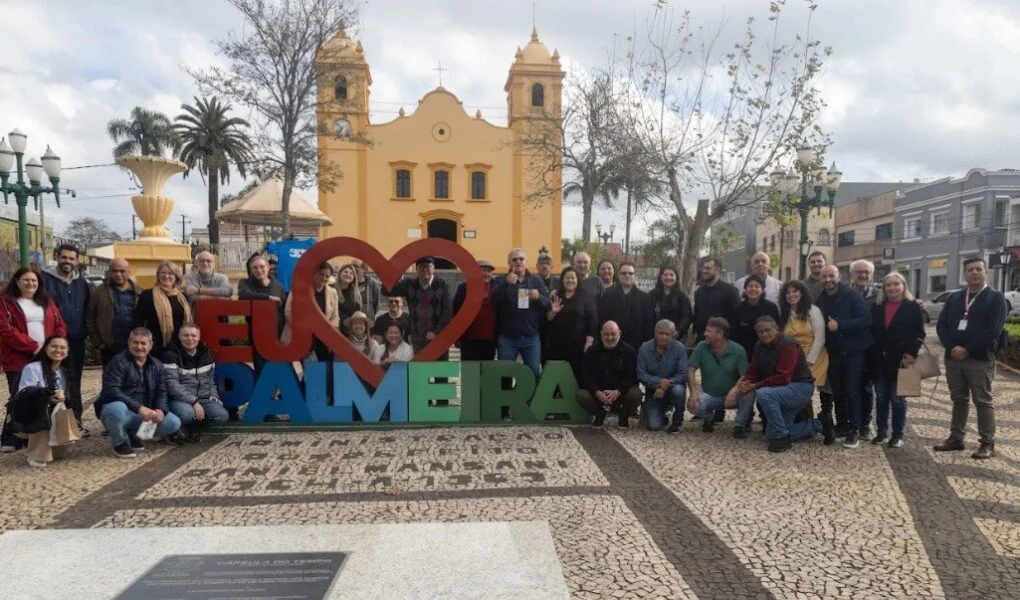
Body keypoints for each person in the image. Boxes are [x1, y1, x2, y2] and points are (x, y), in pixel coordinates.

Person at [934, 258, 1007, 459]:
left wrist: (967, 349)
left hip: (979, 359)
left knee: (983, 401)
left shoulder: (995, 298)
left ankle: (987, 442)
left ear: (985, 272)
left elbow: (993, 331)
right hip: (953, 359)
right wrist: (952, 348)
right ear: (964, 274)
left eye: (978, 269)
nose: (974, 272)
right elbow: (941, 326)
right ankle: (956, 438)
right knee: (958, 399)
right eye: (970, 270)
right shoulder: (955, 298)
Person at [0, 267, 67, 452]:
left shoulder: (46, 301)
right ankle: (11, 437)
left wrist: (55, 344)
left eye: (34, 281)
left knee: (44, 395)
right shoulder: (6, 302)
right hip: (18, 356)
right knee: (19, 396)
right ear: (17, 281)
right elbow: (6, 329)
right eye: (26, 280)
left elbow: (59, 324)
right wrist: (33, 346)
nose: (30, 283)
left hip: (45, 356)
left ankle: (34, 434)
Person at [737, 316, 821, 452]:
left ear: (776, 329)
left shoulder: (788, 345)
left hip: (800, 388)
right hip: (781, 390)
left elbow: (783, 377)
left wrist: (755, 386)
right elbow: (753, 369)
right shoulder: (759, 346)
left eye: (767, 330)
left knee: (764, 394)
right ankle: (819, 424)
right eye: (760, 332)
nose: (764, 334)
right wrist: (745, 382)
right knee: (770, 435)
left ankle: (782, 439)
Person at [96, 328, 182, 458]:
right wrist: (139, 408)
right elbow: (112, 390)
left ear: (150, 345)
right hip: (124, 410)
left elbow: (162, 392)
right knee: (116, 409)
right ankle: (120, 443)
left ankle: (134, 435)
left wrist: (161, 410)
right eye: (135, 342)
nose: (139, 347)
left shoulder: (157, 365)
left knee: (173, 422)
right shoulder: (117, 362)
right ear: (129, 343)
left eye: (143, 343)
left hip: (146, 413)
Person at [818, 265, 873, 449]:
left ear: (839, 276)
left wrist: (840, 325)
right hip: (834, 352)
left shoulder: (851, 295)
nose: (828, 280)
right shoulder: (821, 298)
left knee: (852, 391)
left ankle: (854, 430)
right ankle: (841, 425)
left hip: (853, 352)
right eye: (824, 276)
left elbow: (866, 319)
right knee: (838, 392)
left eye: (831, 276)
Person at [869, 273, 924, 448]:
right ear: (884, 288)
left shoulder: (913, 307)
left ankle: (897, 434)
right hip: (879, 359)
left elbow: (920, 333)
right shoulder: (877, 306)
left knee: (898, 399)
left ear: (903, 286)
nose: (892, 288)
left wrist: (912, 353)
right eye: (888, 285)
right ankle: (881, 432)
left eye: (896, 284)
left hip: (902, 359)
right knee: (881, 398)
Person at [41, 244, 90, 432]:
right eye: (64, 257)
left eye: (71, 258)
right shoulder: (45, 279)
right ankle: (47, 423)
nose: (67, 261)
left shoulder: (82, 283)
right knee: (51, 380)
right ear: (57, 257)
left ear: (77, 261)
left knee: (74, 380)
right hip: (52, 341)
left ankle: (75, 421)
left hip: (76, 340)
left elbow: (88, 309)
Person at [16, 336, 80, 467]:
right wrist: (46, 397)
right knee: (42, 409)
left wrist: (63, 399)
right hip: (33, 411)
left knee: (58, 454)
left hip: (57, 408)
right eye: (54, 346)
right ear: (45, 349)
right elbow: (24, 394)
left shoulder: (65, 371)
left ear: (67, 351)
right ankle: (36, 455)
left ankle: (54, 447)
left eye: (62, 347)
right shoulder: (32, 368)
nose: (58, 350)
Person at [779, 280, 829, 437]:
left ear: (802, 293)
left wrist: (809, 361)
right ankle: (804, 424)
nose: (791, 295)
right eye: (788, 292)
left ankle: (816, 424)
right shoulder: (785, 313)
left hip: (813, 358)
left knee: (803, 390)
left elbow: (820, 338)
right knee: (796, 392)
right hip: (793, 359)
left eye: (795, 291)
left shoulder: (812, 310)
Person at [162, 323, 229, 442]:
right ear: (179, 337)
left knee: (222, 416)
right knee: (187, 414)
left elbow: (210, 380)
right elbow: (172, 385)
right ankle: (182, 428)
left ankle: (193, 427)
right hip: (180, 400)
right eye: (185, 335)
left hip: (204, 398)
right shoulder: (170, 355)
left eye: (193, 335)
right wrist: (193, 402)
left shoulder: (207, 354)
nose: (190, 339)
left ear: (199, 337)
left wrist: (214, 395)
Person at [688, 318, 752, 437]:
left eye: (708, 331)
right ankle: (708, 418)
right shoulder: (702, 346)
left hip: (733, 397)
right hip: (710, 395)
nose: (705, 334)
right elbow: (691, 369)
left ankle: (740, 425)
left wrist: (734, 390)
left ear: (720, 333)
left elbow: (745, 375)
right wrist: (693, 393)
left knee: (749, 392)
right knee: (693, 406)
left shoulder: (738, 350)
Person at [493, 248, 550, 377]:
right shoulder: (501, 279)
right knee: (504, 374)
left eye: (521, 259)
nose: (518, 261)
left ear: (526, 262)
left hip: (531, 337)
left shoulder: (536, 280)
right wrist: (506, 284)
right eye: (514, 259)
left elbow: (548, 303)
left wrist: (539, 297)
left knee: (534, 372)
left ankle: (531, 392)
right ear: (509, 263)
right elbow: (494, 298)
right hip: (508, 337)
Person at [576, 321, 642, 427]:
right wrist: (597, 391)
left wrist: (618, 391)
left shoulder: (629, 351)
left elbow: (633, 376)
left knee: (636, 394)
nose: (610, 337)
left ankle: (623, 416)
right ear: (601, 334)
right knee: (582, 395)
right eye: (606, 334)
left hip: (620, 393)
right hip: (599, 394)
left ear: (619, 333)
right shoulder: (592, 351)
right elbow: (585, 375)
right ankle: (599, 414)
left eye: (613, 334)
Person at [385, 256, 453, 354]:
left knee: (439, 363)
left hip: (438, 340)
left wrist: (436, 332)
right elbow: (387, 291)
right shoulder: (410, 284)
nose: (425, 269)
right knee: (419, 364)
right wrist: (397, 274)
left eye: (428, 266)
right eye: (421, 266)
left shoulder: (443, 285)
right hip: (417, 340)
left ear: (434, 268)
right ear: (416, 269)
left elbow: (448, 312)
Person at [544, 266, 598, 380]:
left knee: (575, 375)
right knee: (557, 375)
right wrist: (553, 312)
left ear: (577, 280)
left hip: (578, 344)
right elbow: (548, 318)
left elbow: (592, 320)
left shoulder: (586, 296)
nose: (570, 280)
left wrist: (589, 342)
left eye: (573, 278)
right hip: (557, 344)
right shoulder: (556, 295)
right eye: (567, 278)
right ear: (562, 280)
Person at [636, 319, 688, 433]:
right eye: (661, 333)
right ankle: (662, 410)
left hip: (674, 386)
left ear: (672, 335)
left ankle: (677, 421)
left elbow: (683, 374)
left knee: (679, 391)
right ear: (655, 333)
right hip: (653, 390)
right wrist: (659, 382)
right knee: (654, 426)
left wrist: (664, 386)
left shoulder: (680, 348)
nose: (663, 337)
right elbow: (641, 373)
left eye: (667, 334)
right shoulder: (644, 349)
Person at [86, 258, 140, 367]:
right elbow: (90, 317)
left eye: (122, 271)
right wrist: (98, 343)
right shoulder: (99, 292)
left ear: (129, 272)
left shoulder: (138, 292)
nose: (118, 274)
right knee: (110, 376)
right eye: (115, 271)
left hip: (133, 346)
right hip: (109, 347)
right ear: (109, 272)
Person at [849, 259, 881, 440]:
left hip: (871, 349)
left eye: (866, 272)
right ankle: (850, 423)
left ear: (871, 275)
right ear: (852, 274)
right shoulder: (844, 293)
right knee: (851, 388)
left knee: (867, 389)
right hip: (850, 349)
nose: (862, 275)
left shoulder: (880, 295)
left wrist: (916, 303)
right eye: (858, 272)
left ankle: (865, 424)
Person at [283, 261, 338, 361]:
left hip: (323, 340)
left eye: (327, 276)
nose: (324, 278)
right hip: (301, 337)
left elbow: (335, 317)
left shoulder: (333, 292)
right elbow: (288, 312)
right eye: (321, 274)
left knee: (323, 367)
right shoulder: (299, 289)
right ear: (314, 273)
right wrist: (303, 330)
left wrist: (330, 332)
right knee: (303, 367)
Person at [134, 261, 193, 349]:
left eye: (170, 273)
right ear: (158, 276)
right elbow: (138, 321)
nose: (166, 276)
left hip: (180, 346)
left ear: (176, 277)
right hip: (155, 346)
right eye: (163, 273)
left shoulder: (183, 297)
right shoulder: (147, 295)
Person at [599, 261, 652, 351]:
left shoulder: (644, 297)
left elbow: (648, 321)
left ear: (635, 276)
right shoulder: (608, 295)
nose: (627, 275)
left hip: (637, 344)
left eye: (630, 273)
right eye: (624, 273)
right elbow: (602, 318)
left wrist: (645, 340)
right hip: (613, 343)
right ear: (619, 275)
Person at [454, 259, 498, 361]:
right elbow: (456, 311)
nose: (486, 274)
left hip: (490, 339)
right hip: (469, 339)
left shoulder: (497, 287)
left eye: (489, 271)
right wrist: (457, 336)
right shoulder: (464, 288)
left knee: (486, 369)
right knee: (469, 369)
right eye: (483, 270)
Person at [731, 274, 781, 361]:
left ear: (762, 289)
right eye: (750, 286)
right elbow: (734, 334)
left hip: (767, 352)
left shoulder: (771, 308)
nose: (753, 289)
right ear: (745, 289)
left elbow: (777, 332)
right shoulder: (737, 309)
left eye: (757, 286)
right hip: (743, 353)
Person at [693, 257, 740, 342]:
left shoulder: (731, 291)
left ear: (718, 270)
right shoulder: (699, 291)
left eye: (708, 268)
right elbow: (697, 313)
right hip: (702, 338)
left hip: (723, 340)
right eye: (703, 268)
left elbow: (736, 317)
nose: (704, 271)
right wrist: (695, 331)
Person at [648, 265, 693, 340]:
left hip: (676, 337)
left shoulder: (682, 297)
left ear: (676, 278)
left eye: (671, 275)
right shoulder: (652, 295)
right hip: (654, 337)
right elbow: (647, 315)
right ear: (661, 277)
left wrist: (678, 331)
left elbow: (687, 316)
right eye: (665, 275)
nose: (668, 277)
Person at [335, 264, 363, 333]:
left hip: (347, 330)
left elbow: (356, 314)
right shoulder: (331, 289)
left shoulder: (356, 293)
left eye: (351, 273)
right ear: (340, 274)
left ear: (354, 278)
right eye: (346, 272)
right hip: (330, 327)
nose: (348, 274)